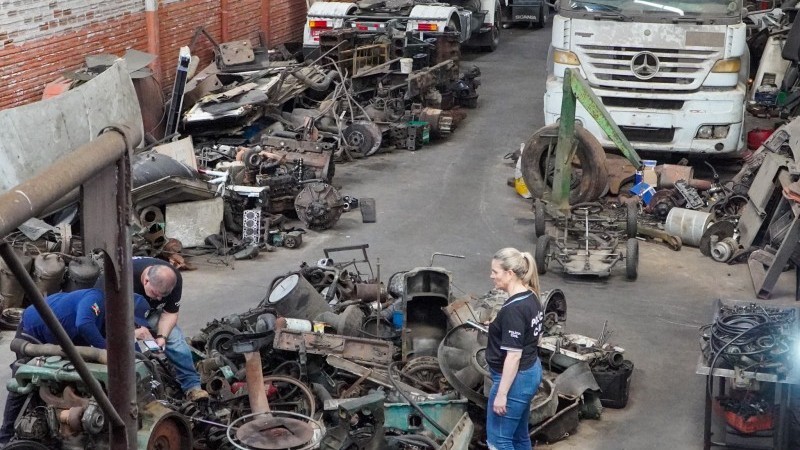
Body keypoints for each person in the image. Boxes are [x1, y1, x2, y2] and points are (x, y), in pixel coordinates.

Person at [0, 289, 151, 445]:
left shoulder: (113, 317)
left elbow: (126, 341)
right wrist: (107, 351)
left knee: (78, 378)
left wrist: (141, 359)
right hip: (35, 331)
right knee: (24, 383)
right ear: (124, 312)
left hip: (66, 337)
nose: (134, 326)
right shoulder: (96, 298)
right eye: (133, 322)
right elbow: (84, 324)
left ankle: (63, 432)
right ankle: (6, 436)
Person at [96, 256, 208, 402]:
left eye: (164, 296)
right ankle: (132, 393)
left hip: (147, 311)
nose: (160, 299)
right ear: (146, 281)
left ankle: (192, 386)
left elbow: (169, 313)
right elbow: (103, 321)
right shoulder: (118, 279)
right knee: (130, 351)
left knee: (175, 339)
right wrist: (132, 332)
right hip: (112, 314)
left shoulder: (173, 279)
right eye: (156, 294)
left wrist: (162, 336)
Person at [485, 248, 544, 450]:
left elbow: (513, 356)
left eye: (495, 271)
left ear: (510, 273)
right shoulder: (532, 296)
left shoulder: (514, 309)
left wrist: (502, 395)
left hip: (513, 380)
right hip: (530, 371)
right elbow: (534, 336)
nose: (491, 276)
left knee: (498, 441)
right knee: (519, 437)